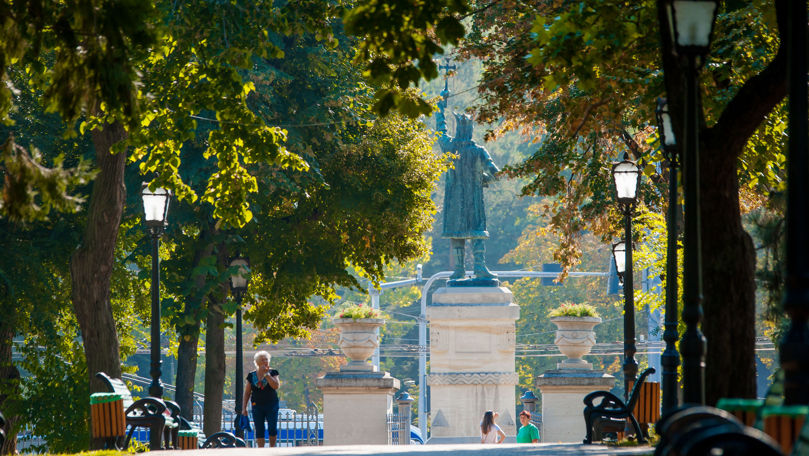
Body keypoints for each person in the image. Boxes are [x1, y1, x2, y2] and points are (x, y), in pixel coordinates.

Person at [436, 86, 500, 282]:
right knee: (477, 231)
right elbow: (496, 173)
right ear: (471, 130)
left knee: (458, 232)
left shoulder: (450, 147)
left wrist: (440, 108)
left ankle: (460, 270)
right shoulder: (479, 151)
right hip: (473, 200)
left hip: (455, 200)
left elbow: (440, 132)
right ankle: (479, 268)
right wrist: (484, 180)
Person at [242, 350, 281, 447]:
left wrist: (267, 375)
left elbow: (276, 386)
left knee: (272, 428)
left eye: (266, 359)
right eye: (262, 360)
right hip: (257, 405)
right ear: (258, 362)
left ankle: (272, 448)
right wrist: (244, 408)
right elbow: (247, 393)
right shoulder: (251, 376)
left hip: (271, 404)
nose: (265, 361)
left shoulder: (273, 372)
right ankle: (261, 450)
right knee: (259, 429)